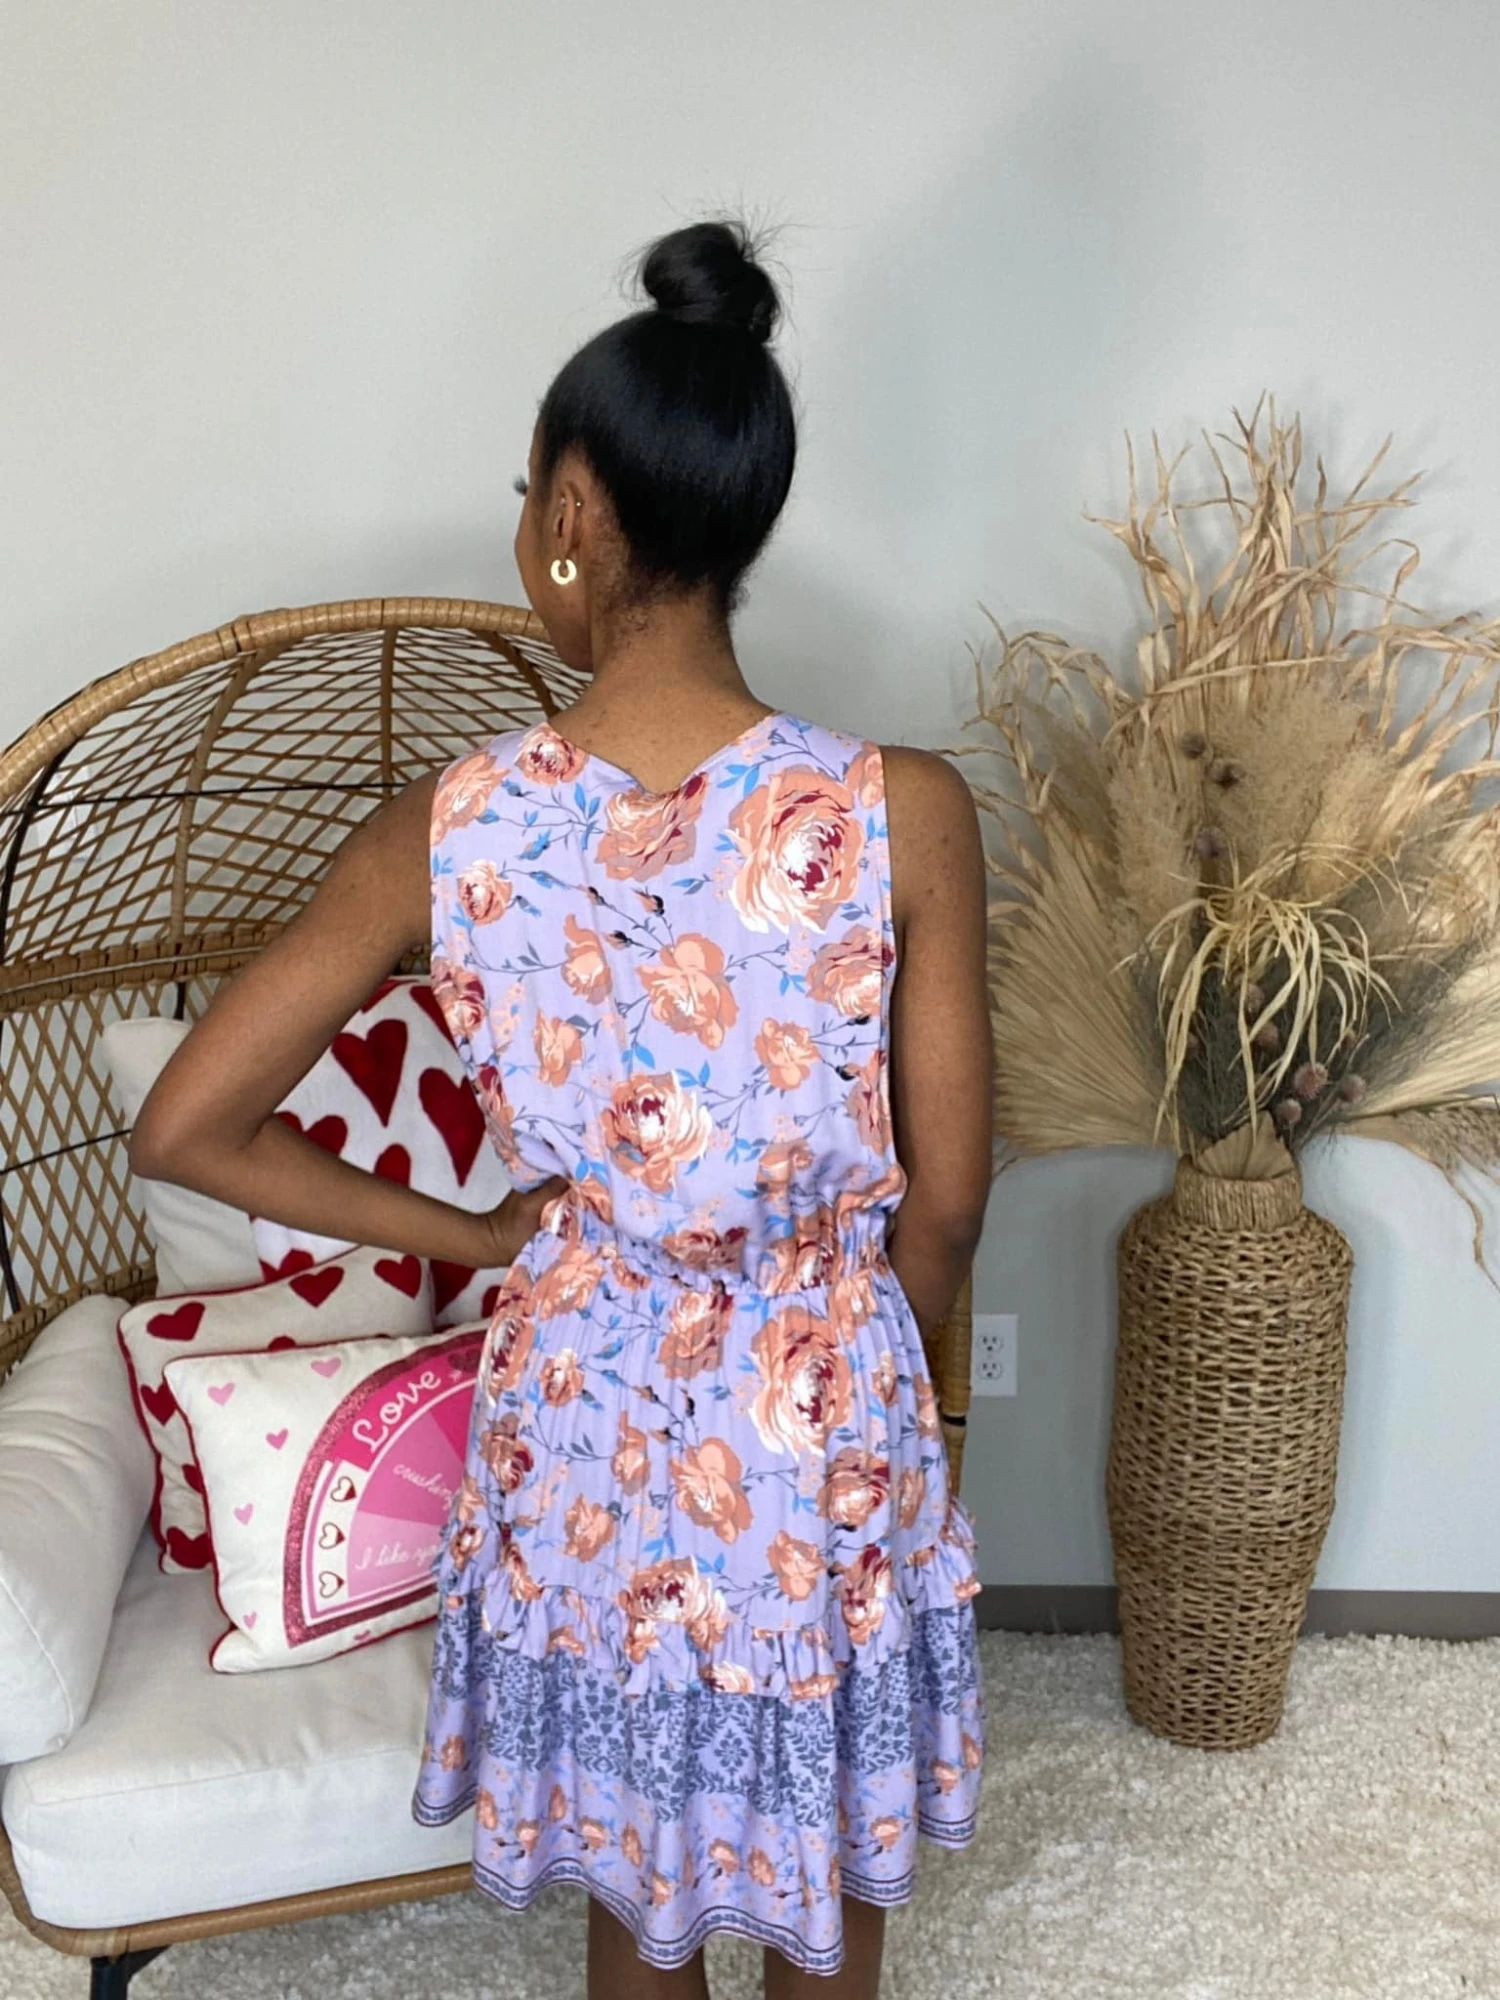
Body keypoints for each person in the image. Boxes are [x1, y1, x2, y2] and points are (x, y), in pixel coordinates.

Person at [130, 214, 992, 1999]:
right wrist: (862, 1362)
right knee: (827, 1857)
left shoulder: (450, 829)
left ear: (575, 513)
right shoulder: (902, 809)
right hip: (820, 1397)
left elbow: (186, 1127)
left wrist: (477, 1235)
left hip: (582, 1406)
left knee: (636, 1874)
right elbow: (955, 1191)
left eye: (529, 496)